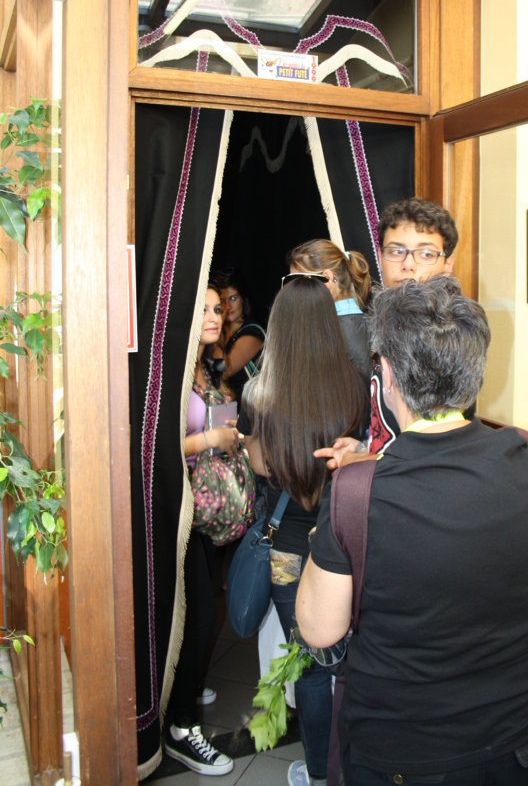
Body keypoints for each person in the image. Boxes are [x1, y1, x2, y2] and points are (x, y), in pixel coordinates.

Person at [296, 277, 528, 786]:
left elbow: (318, 629)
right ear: (474, 371)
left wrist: (323, 535)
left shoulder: (356, 491)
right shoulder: (524, 455)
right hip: (522, 736)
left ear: (389, 376)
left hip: (407, 751)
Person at [239, 275, 369, 786]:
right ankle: (353, 766)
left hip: (288, 551)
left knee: (309, 666)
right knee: (350, 658)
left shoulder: (257, 393)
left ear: (279, 325)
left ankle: (318, 773)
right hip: (344, 540)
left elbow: (260, 466)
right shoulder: (355, 386)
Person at [317, 197, 459, 463]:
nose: (407, 264)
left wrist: (359, 463)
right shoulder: (389, 322)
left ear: (447, 264)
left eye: (425, 254)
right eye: (396, 251)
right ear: (380, 256)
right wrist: (365, 448)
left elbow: (429, 456)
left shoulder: (447, 337)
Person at [164, 284, 236, 776]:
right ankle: (180, 727)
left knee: (201, 606)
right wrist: (211, 437)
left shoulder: (203, 367)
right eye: (204, 309)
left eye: (217, 308)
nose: (215, 316)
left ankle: (183, 688)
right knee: (198, 616)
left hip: (205, 504)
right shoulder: (171, 371)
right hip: (180, 506)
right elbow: (161, 443)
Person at [287, 239, 372, 379]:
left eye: (299, 282)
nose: (293, 291)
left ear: (327, 278)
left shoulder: (337, 330)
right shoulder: (358, 321)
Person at [216, 268, 265, 408]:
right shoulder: (223, 333)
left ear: (242, 298)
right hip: (228, 410)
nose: (228, 306)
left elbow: (224, 371)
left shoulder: (252, 332)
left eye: (233, 298)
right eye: (223, 300)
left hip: (253, 413)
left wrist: (214, 337)